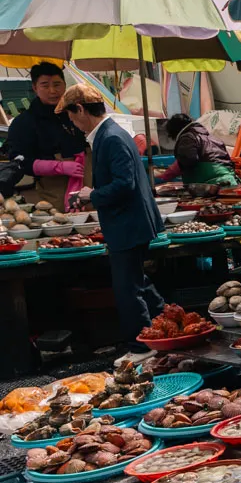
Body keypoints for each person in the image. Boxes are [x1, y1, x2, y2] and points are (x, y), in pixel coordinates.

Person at [61, 86, 164, 349]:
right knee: (137, 281)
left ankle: (141, 344)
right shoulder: (112, 133)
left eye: (71, 116)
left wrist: (91, 195)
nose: (71, 122)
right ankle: (169, 321)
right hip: (130, 222)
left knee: (127, 290)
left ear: (81, 109)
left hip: (128, 224)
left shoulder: (111, 137)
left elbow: (124, 184)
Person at [5, 62, 86, 209]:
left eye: (57, 84)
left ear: (65, 85)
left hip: (88, 186)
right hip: (52, 193)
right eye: (45, 85)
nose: (52, 91)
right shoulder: (24, 122)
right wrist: (58, 167)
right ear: (35, 88)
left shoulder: (79, 113)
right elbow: (19, 161)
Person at [158, 114, 240, 186]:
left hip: (210, 186)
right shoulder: (213, 138)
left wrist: (169, 173)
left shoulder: (187, 138)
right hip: (230, 181)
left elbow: (188, 160)